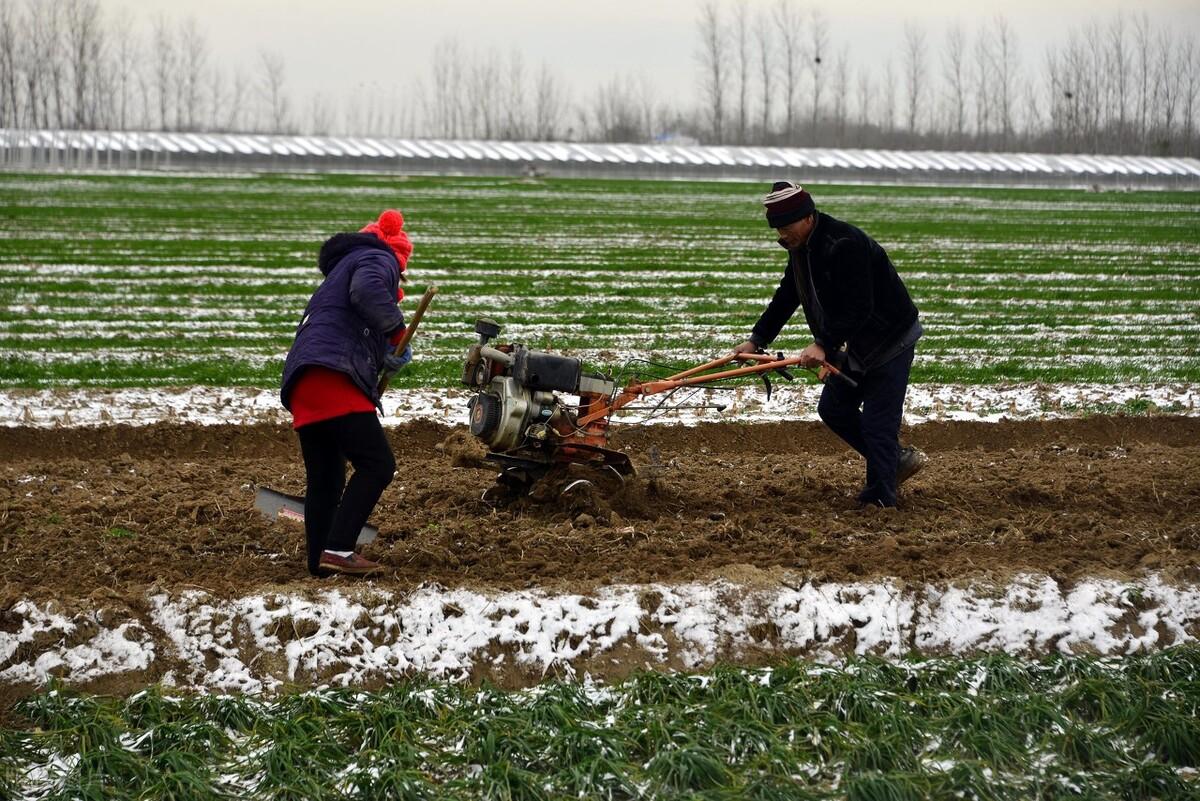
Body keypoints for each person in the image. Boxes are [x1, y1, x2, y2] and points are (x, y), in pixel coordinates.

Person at [733, 182, 927, 508]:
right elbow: (787, 296)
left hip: (890, 339)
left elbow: (860, 306)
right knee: (834, 408)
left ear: (807, 217)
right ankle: (894, 462)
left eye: (786, 226)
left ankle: (880, 500)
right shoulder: (801, 250)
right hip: (858, 344)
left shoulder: (844, 244)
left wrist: (823, 344)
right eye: (777, 228)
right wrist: (757, 339)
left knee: (879, 423)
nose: (781, 234)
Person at [280, 209, 413, 576]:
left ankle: (319, 562)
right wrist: (396, 333)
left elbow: (348, 319)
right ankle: (338, 550)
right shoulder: (377, 256)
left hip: (304, 381)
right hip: (333, 376)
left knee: (327, 479)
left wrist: (382, 356)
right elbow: (367, 291)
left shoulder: (340, 270)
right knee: (378, 464)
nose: (397, 277)